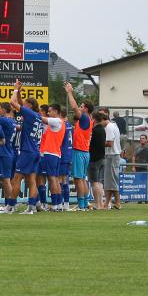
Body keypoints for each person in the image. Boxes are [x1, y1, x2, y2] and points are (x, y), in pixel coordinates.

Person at [8, 79, 43, 214]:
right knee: (31, 180)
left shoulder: (30, 114)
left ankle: (10, 206)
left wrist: (15, 89)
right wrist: (20, 92)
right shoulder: (37, 116)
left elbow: (13, 102)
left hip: (27, 151)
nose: (23, 105)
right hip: (35, 151)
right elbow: (20, 103)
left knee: (16, 178)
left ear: (30, 106)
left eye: (26, 104)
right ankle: (31, 207)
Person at [65, 82, 94, 211]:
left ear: (86, 109)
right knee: (82, 179)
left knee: (78, 179)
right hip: (85, 152)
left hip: (80, 151)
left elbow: (74, 107)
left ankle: (82, 205)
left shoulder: (85, 118)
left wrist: (69, 92)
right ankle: (85, 203)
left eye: (82, 106)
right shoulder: (88, 119)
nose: (79, 108)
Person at [39, 104, 67, 212]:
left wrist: (31, 114)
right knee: (55, 179)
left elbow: (42, 119)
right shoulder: (61, 122)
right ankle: (59, 204)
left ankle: (55, 204)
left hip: (51, 153)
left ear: (56, 111)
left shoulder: (57, 121)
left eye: (50, 111)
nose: (48, 113)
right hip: (56, 153)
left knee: (52, 179)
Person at [0, 102, 16, 213]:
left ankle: (11, 205)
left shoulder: (6, 121)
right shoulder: (11, 121)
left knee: (6, 181)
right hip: (7, 153)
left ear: (3, 109)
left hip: (5, 153)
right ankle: (8, 204)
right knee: (5, 181)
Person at [88, 112, 108, 210]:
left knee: (94, 182)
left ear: (94, 119)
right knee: (100, 183)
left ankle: (97, 204)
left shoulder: (94, 130)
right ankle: (101, 203)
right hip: (102, 158)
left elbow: (90, 144)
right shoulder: (103, 130)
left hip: (94, 158)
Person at [104, 113, 123, 210]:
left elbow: (109, 143)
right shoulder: (114, 125)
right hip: (114, 155)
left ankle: (118, 202)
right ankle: (107, 203)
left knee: (112, 180)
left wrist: (97, 142)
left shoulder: (109, 127)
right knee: (110, 181)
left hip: (112, 155)